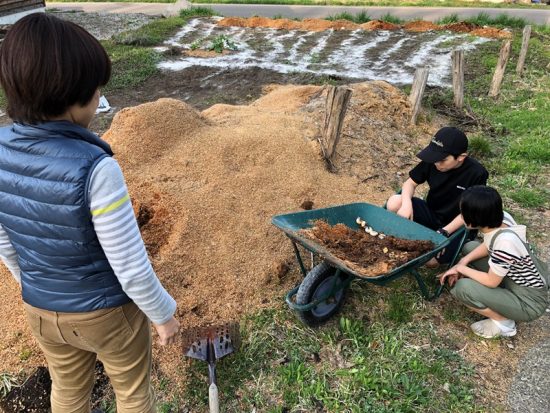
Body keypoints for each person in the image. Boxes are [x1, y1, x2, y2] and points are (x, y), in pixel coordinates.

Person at [0, 13, 179, 412]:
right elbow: (130, 266)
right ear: (70, 95)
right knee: (133, 392)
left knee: (67, 390)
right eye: (96, 91)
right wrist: (164, 315)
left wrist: (36, 287)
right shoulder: (96, 168)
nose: (100, 101)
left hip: (41, 309)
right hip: (106, 314)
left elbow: (5, 242)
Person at [439, 186, 548, 339]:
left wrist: (460, 268)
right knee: (470, 248)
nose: (461, 216)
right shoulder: (502, 220)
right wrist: (464, 261)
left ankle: (504, 323)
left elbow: (491, 282)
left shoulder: (505, 244)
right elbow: (490, 243)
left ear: (474, 219)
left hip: (529, 302)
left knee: (463, 288)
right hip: (516, 279)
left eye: (463, 213)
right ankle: (503, 300)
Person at [386, 126, 488, 266]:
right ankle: (413, 240)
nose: (436, 163)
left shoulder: (477, 173)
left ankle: (431, 244)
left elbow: (470, 212)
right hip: (433, 213)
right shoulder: (433, 161)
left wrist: (444, 232)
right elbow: (410, 183)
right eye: (435, 158)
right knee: (394, 202)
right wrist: (406, 205)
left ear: (461, 157)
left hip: (458, 226)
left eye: (442, 160)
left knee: (430, 262)